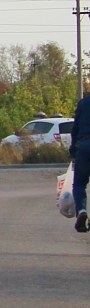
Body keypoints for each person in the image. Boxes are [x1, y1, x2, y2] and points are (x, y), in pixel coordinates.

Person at [69, 91, 90, 232]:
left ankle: (81, 210)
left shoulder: (83, 103)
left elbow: (75, 129)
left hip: (84, 146)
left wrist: (72, 152)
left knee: (79, 184)